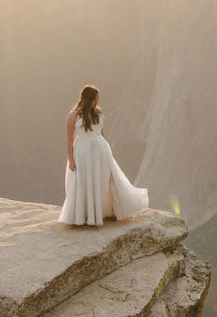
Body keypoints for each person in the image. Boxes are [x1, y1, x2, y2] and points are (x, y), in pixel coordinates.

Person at [59, 84, 149, 226]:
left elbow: (101, 133)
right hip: (83, 153)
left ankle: (105, 211)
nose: (97, 102)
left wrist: (107, 151)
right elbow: (70, 140)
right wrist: (71, 160)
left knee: (103, 180)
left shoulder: (97, 113)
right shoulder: (73, 115)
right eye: (95, 99)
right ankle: (85, 215)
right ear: (88, 99)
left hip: (100, 151)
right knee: (84, 181)